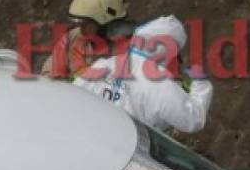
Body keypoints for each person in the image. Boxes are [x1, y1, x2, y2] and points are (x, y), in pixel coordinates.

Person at [73, 15, 213, 134]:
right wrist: (201, 84)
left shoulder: (103, 65)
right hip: (130, 153)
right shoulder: (160, 84)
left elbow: (72, 94)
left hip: (87, 137)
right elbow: (192, 120)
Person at [41, 0, 135, 79]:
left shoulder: (134, 46)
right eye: (80, 23)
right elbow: (49, 80)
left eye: (86, 23)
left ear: (105, 23)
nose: (81, 29)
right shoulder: (71, 39)